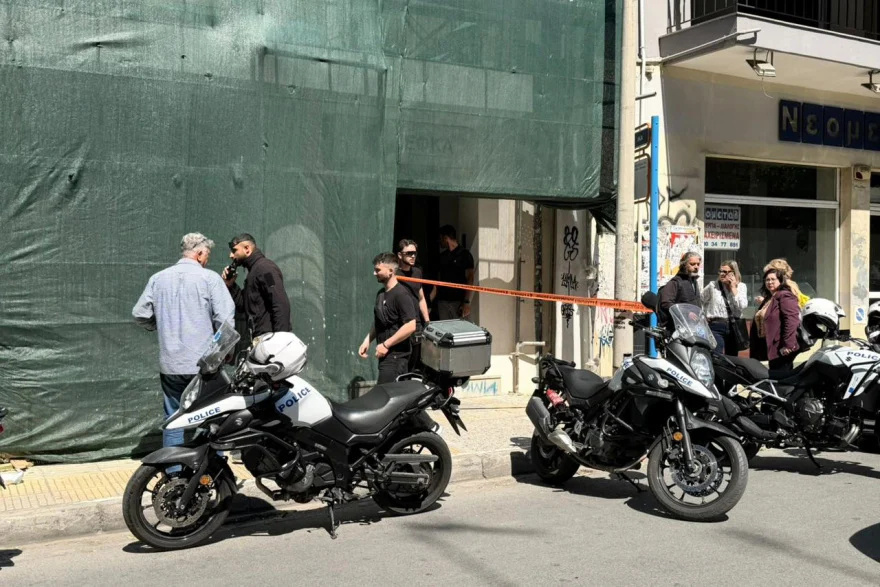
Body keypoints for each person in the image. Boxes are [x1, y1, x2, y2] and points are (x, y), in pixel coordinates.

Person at [132, 233, 235, 447]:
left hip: (170, 363)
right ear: (199, 254)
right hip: (204, 365)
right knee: (211, 418)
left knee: (173, 418)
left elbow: (140, 313)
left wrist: (160, 324)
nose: (206, 260)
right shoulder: (210, 279)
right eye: (207, 255)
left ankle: (173, 466)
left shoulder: (158, 279)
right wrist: (224, 352)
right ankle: (211, 467)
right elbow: (225, 321)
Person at [359, 253, 419, 384]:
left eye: (378, 270)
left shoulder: (401, 294)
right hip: (385, 357)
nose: (374, 273)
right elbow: (379, 322)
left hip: (397, 358)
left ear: (391, 271)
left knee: (384, 394)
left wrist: (386, 345)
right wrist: (367, 341)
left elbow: (411, 325)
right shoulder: (380, 294)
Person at [222, 233, 291, 337]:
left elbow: (279, 302)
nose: (231, 255)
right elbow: (244, 305)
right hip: (261, 338)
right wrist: (231, 285)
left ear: (247, 249)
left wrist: (281, 337)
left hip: (271, 338)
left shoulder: (266, 269)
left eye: (234, 250)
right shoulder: (253, 271)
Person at [750, 268, 801, 372]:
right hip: (769, 346)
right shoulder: (769, 298)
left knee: (782, 376)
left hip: (781, 347)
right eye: (767, 280)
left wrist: (788, 344)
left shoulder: (785, 295)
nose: (770, 282)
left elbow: (791, 320)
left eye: (773, 279)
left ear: (780, 281)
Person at [396, 239, 431, 371]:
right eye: (409, 253)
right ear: (400, 255)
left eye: (415, 253)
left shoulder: (417, 272)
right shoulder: (394, 274)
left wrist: (427, 321)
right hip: (400, 325)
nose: (413, 256)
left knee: (416, 365)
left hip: (417, 326)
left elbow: (421, 298)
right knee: (401, 365)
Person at [701, 260, 748, 355]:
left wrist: (733, 288)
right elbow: (701, 299)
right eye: (721, 271)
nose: (722, 274)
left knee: (732, 357)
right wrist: (704, 315)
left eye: (726, 272)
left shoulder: (741, 286)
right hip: (716, 325)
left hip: (734, 326)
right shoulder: (713, 285)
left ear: (734, 273)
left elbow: (742, 305)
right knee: (716, 355)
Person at [430, 225, 475, 320]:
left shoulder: (464, 255)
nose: (439, 242)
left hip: (458, 302)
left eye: (440, 238)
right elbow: (437, 282)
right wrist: (429, 301)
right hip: (443, 302)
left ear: (446, 238)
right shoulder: (442, 257)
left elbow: (470, 278)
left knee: (460, 328)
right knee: (445, 328)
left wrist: (466, 302)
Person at [658, 251, 702, 331]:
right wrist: (686, 312)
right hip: (679, 328)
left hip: (694, 328)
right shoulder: (675, 282)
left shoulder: (694, 281)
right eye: (692, 264)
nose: (696, 267)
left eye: (698, 264)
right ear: (684, 265)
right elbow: (666, 303)